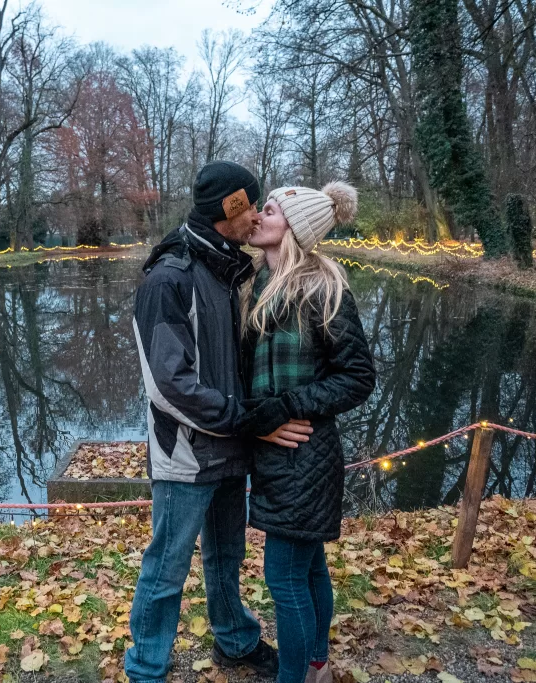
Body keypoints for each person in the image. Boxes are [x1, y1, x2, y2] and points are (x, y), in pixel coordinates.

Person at [127, 161, 314, 683]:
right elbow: (169, 386)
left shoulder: (227, 271)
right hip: (186, 455)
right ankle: (145, 671)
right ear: (228, 211)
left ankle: (234, 640)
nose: (257, 215)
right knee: (166, 570)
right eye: (250, 205)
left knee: (226, 559)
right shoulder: (169, 279)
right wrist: (248, 422)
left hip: (231, 449)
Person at [235, 182, 376, 683]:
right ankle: (316, 661)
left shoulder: (322, 288)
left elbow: (358, 377)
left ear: (293, 226)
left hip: (308, 457)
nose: (257, 216)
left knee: (285, 576)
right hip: (276, 454)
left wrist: (289, 407)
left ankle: (293, 676)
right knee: (309, 565)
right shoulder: (256, 283)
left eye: (268, 210)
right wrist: (260, 422)